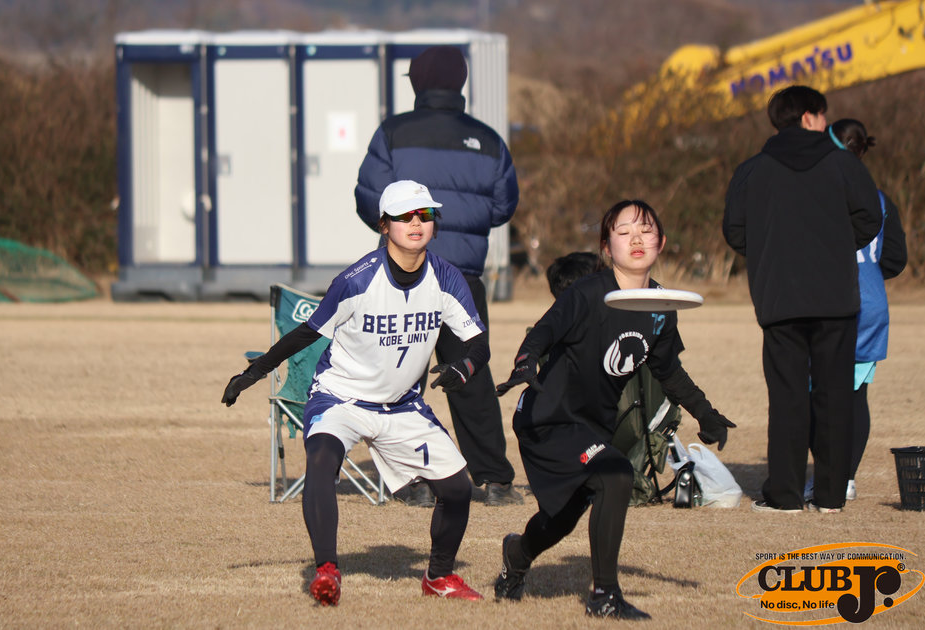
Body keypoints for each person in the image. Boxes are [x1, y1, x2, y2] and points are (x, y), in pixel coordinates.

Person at [222, 180, 488, 605]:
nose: (416, 223)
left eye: (424, 214)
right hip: (340, 398)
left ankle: (438, 577)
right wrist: (255, 371)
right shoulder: (357, 279)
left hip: (402, 405)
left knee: (458, 488)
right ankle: (327, 570)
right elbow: (308, 332)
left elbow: (479, 344)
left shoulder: (446, 277)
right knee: (321, 460)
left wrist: (465, 367)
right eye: (404, 216)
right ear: (384, 225)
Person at [493, 200, 735, 619]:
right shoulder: (588, 293)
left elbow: (667, 369)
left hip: (591, 424)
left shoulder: (660, 306)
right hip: (548, 417)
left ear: (661, 242)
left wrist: (705, 412)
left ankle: (517, 553)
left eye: (646, 230)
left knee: (563, 516)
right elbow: (546, 329)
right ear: (607, 247)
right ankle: (604, 597)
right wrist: (526, 360)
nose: (636, 239)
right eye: (624, 232)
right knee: (616, 474)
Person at [355, 45, 522, 507]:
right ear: (461, 82)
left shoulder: (393, 133)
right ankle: (495, 480)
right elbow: (503, 206)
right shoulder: (488, 140)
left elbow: (369, 198)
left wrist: (397, 229)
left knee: (396, 375)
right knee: (472, 375)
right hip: (462, 277)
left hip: (402, 274)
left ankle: (414, 479)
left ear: (416, 82)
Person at [723, 86, 883, 514]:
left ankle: (786, 495)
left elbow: (735, 231)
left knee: (787, 397)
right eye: (823, 116)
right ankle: (830, 497)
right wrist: (834, 246)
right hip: (836, 297)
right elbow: (870, 218)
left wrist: (773, 252)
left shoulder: (752, 170)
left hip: (779, 298)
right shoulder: (844, 164)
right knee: (835, 396)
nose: (826, 123)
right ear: (810, 117)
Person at [810, 118, 906, 501]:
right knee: (855, 396)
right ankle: (846, 479)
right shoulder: (880, 199)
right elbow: (896, 259)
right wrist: (869, 274)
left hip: (828, 303)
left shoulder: (817, 193)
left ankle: (829, 476)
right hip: (871, 304)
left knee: (818, 394)